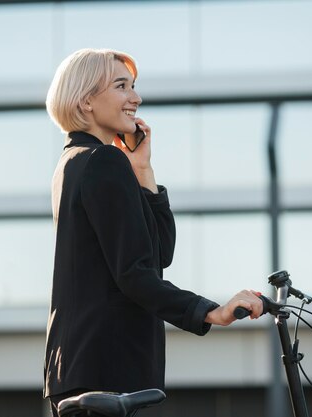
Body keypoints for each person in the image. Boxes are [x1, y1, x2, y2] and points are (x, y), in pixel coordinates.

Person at [43, 48, 264, 417]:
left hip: (78, 366)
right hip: (107, 366)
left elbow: (157, 254)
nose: (136, 97)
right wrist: (212, 312)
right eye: (121, 86)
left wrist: (143, 171)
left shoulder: (72, 163)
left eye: (134, 86)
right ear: (86, 102)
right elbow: (134, 273)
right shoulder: (103, 161)